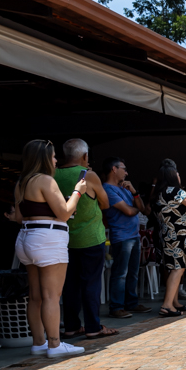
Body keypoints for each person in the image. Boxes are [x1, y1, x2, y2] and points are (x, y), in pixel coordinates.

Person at [13, 140, 88, 358]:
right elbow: (64, 213)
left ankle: (39, 342)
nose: (56, 160)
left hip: (26, 237)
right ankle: (55, 344)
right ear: (44, 158)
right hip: (47, 238)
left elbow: (19, 217)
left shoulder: (21, 182)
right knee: (51, 296)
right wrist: (77, 192)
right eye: (53, 156)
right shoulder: (45, 180)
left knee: (35, 295)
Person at [54, 139, 115, 339]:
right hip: (90, 237)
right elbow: (105, 203)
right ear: (85, 156)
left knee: (70, 284)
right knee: (91, 283)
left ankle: (71, 326)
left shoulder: (53, 175)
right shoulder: (88, 175)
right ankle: (93, 327)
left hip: (64, 238)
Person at [101, 157, 151, 319]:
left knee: (133, 272)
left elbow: (141, 208)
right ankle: (116, 306)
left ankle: (131, 303)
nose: (126, 172)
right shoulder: (108, 189)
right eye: (124, 168)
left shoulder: (124, 188)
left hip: (133, 235)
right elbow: (129, 211)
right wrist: (135, 209)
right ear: (114, 169)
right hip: (122, 236)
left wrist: (135, 193)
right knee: (120, 273)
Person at [152, 162, 186, 317]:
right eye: (177, 174)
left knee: (175, 268)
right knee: (177, 269)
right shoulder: (175, 191)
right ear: (173, 176)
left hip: (167, 234)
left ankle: (174, 302)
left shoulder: (158, 193)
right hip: (178, 234)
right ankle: (167, 305)